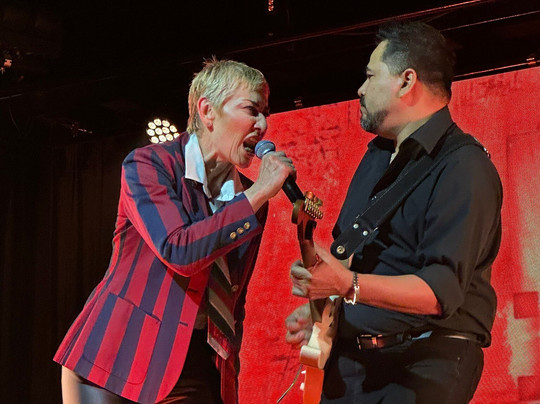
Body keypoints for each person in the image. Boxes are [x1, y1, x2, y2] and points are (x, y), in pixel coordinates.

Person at [54, 58, 296, 404]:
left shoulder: (250, 199)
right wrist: (257, 193)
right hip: (116, 356)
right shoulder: (149, 165)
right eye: (251, 110)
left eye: (265, 113)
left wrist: (228, 379)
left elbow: (233, 298)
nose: (263, 125)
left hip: (194, 362)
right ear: (207, 111)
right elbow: (178, 250)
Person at [285, 21, 502, 403]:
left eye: (370, 76)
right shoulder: (376, 156)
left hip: (423, 366)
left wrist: (347, 284)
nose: (360, 88)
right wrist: (326, 313)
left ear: (406, 81)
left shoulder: (464, 167)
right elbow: (351, 259)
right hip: (353, 365)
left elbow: (439, 292)